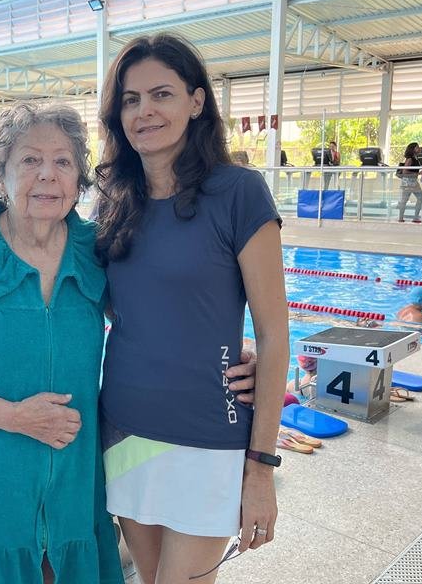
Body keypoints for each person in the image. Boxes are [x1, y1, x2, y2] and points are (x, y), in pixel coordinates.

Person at [0, 101, 260, 584]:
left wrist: (227, 354)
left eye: (63, 162)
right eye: (30, 160)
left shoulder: (97, 250)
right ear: (0, 175)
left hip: (72, 478)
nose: (47, 175)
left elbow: (154, 321)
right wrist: (15, 417)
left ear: (78, 181)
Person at [95, 33, 288, 583]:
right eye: (130, 100)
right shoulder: (114, 200)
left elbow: (274, 334)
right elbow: (122, 310)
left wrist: (261, 468)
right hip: (126, 429)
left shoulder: (240, 193)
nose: (145, 111)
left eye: (162, 94)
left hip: (210, 431)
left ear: (197, 102)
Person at [396, 142, 422, 223]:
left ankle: (415, 217)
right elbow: (405, 171)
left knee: (421, 198)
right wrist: (418, 173)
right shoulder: (410, 159)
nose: (419, 148)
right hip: (408, 182)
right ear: (412, 149)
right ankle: (400, 218)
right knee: (404, 200)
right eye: (417, 147)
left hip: (414, 182)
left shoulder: (416, 158)